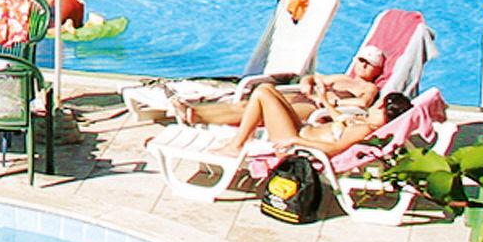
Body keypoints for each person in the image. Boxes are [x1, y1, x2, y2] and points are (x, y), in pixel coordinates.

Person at [172, 46, 388, 128]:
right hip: (308, 98)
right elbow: (312, 79)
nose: (362, 65)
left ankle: (197, 118)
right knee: (247, 105)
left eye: (368, 64)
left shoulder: (368, 88)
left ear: (377, 69)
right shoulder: (341, 76)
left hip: (317, 110)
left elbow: (362, 103)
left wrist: (333, 100)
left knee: (263, 114)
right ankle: (193, 111)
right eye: (361, 60)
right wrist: (308, 84)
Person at [207, 85, 412, 157]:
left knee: (262, 93)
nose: (375, 106)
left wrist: (296, 142)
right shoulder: (364, 122)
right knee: (268, 89)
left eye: (380, 107)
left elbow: (334, 149)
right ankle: (243, 138)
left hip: (295, 140)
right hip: (301, 130)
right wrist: (323, 100)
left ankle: (238, 144)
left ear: (386, 117)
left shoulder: (364, 130)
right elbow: (339, 120)